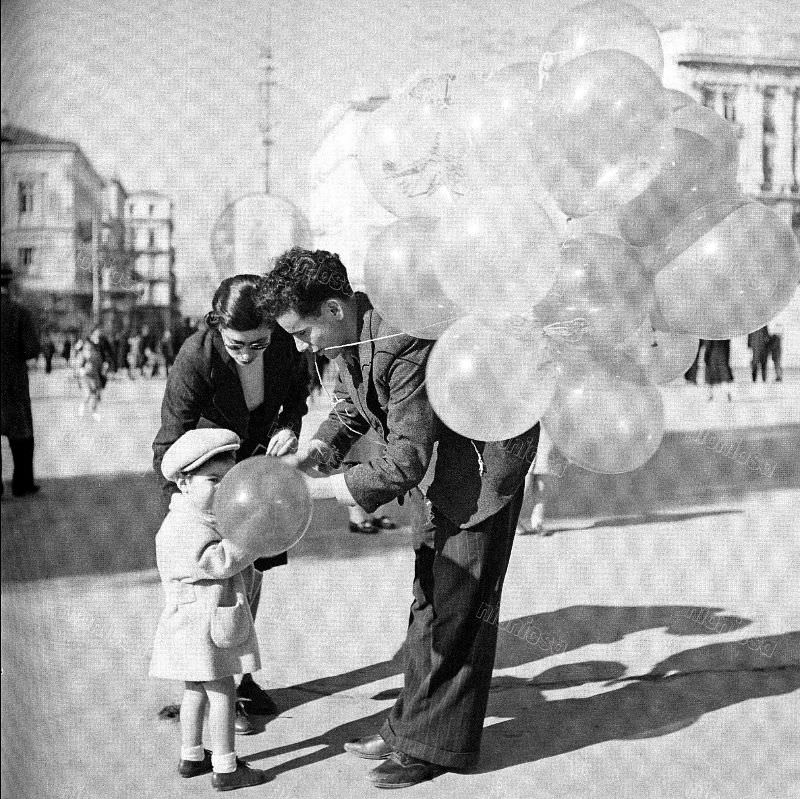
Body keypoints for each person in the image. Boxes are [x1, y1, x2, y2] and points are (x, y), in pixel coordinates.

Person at [258, 248, 540, 789]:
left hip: (480, 475)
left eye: (301, 331)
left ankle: (437, 747)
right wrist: (313, 452)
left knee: (460, 613)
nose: (299, 344)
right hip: (443, 476)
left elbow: (407, 457)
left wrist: (322, 493)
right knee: (427, 603)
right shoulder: (346, 337)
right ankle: (407, 725)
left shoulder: (402, 338)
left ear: (335, 310)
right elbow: (350, 408)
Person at [152, 273, 310, 734]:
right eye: (236, 344)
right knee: (209, 593)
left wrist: (290, 427)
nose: (246, 354)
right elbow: (170, 440)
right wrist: (187, 517)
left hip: (259, 480)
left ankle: (238, 679)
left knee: (250, 582)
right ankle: (207, 685)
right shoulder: (195, 357)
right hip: (211, 488)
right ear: (217, 327)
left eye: (257, 345)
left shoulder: (282, 345)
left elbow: (296, 397)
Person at [150, 428, 268, 791]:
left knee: (195, 692)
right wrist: (249, 540)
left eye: (227, 480)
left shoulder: (194, 517)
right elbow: (217, 562)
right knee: (223, 693)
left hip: (191, 626)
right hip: (203, 627)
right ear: (183, 483)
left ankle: (191, 755)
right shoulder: (187, 525)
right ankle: (226, 766)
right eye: (213, 480)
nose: (222, 489)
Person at [1, 263, 41, 498]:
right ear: (10, 283)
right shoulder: (19, 312)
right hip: (13, 382)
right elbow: (31, 349)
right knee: (21, 434)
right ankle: (22, 483)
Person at [76, 339, 107, 420]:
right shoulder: (82, 355)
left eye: (89, 347)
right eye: (86, 347)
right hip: (85, 378)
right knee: (87, 395)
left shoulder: (96, 356)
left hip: (94, 379)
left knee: (95, 395)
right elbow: (79, 369)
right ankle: (82, 409)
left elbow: (100, 369)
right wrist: (82, 371)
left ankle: (94, 412)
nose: (88, 348)